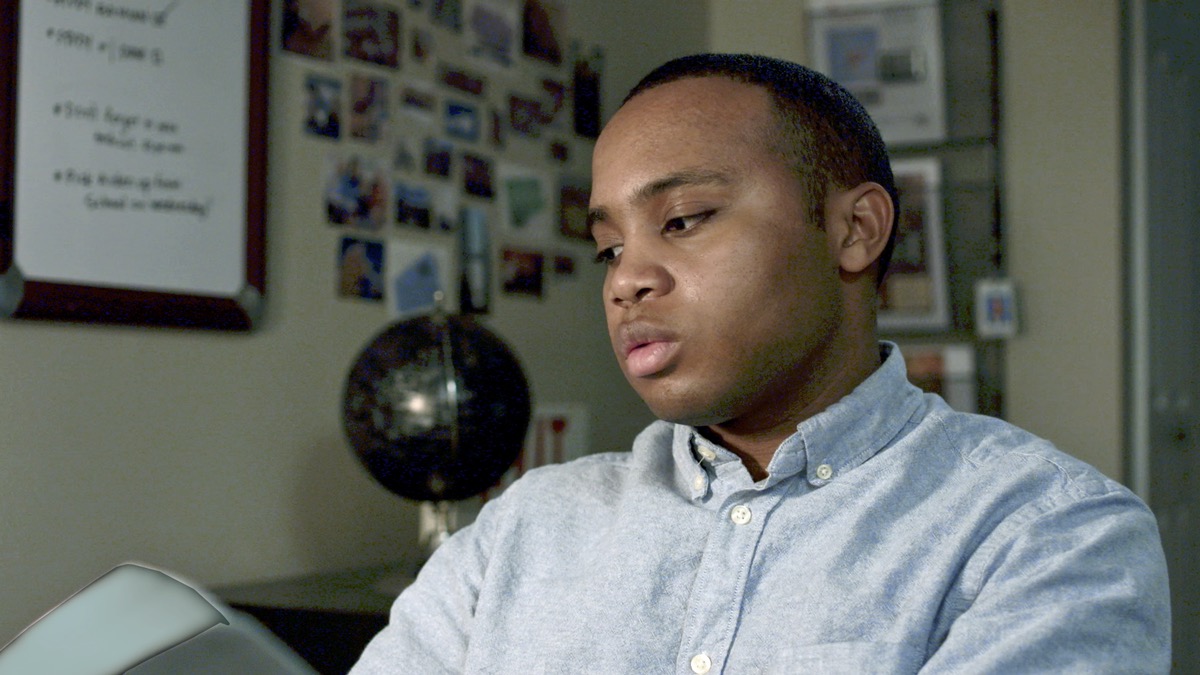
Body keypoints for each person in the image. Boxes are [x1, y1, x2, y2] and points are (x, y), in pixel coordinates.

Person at [352, 53, 1171, 673]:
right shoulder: (522, 531)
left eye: (683, 219)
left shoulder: (1048, 535)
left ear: (854, 230)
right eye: (608, 248)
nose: (626, 280)